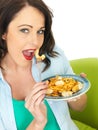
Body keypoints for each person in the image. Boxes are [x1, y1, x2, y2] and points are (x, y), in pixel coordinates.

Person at [0, 0, 90, 130]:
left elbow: (81, 107)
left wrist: (76, 92)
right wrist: (38, 123)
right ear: (4, 32)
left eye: (40, 31)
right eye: (24, 30)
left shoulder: (53, 56)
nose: (35, 42)